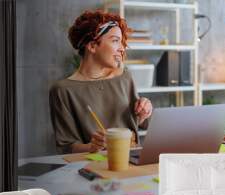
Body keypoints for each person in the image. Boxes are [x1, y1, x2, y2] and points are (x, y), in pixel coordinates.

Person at [49, 10, 152, 153]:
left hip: (132, 162)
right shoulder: (63, 90)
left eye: (121, 42)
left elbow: (137, 125)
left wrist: (143, 113)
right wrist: (92, 147)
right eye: (115, 41)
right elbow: (66, 146)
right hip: (92, 168)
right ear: (92, 46)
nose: (122, 48)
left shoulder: (125, 77)